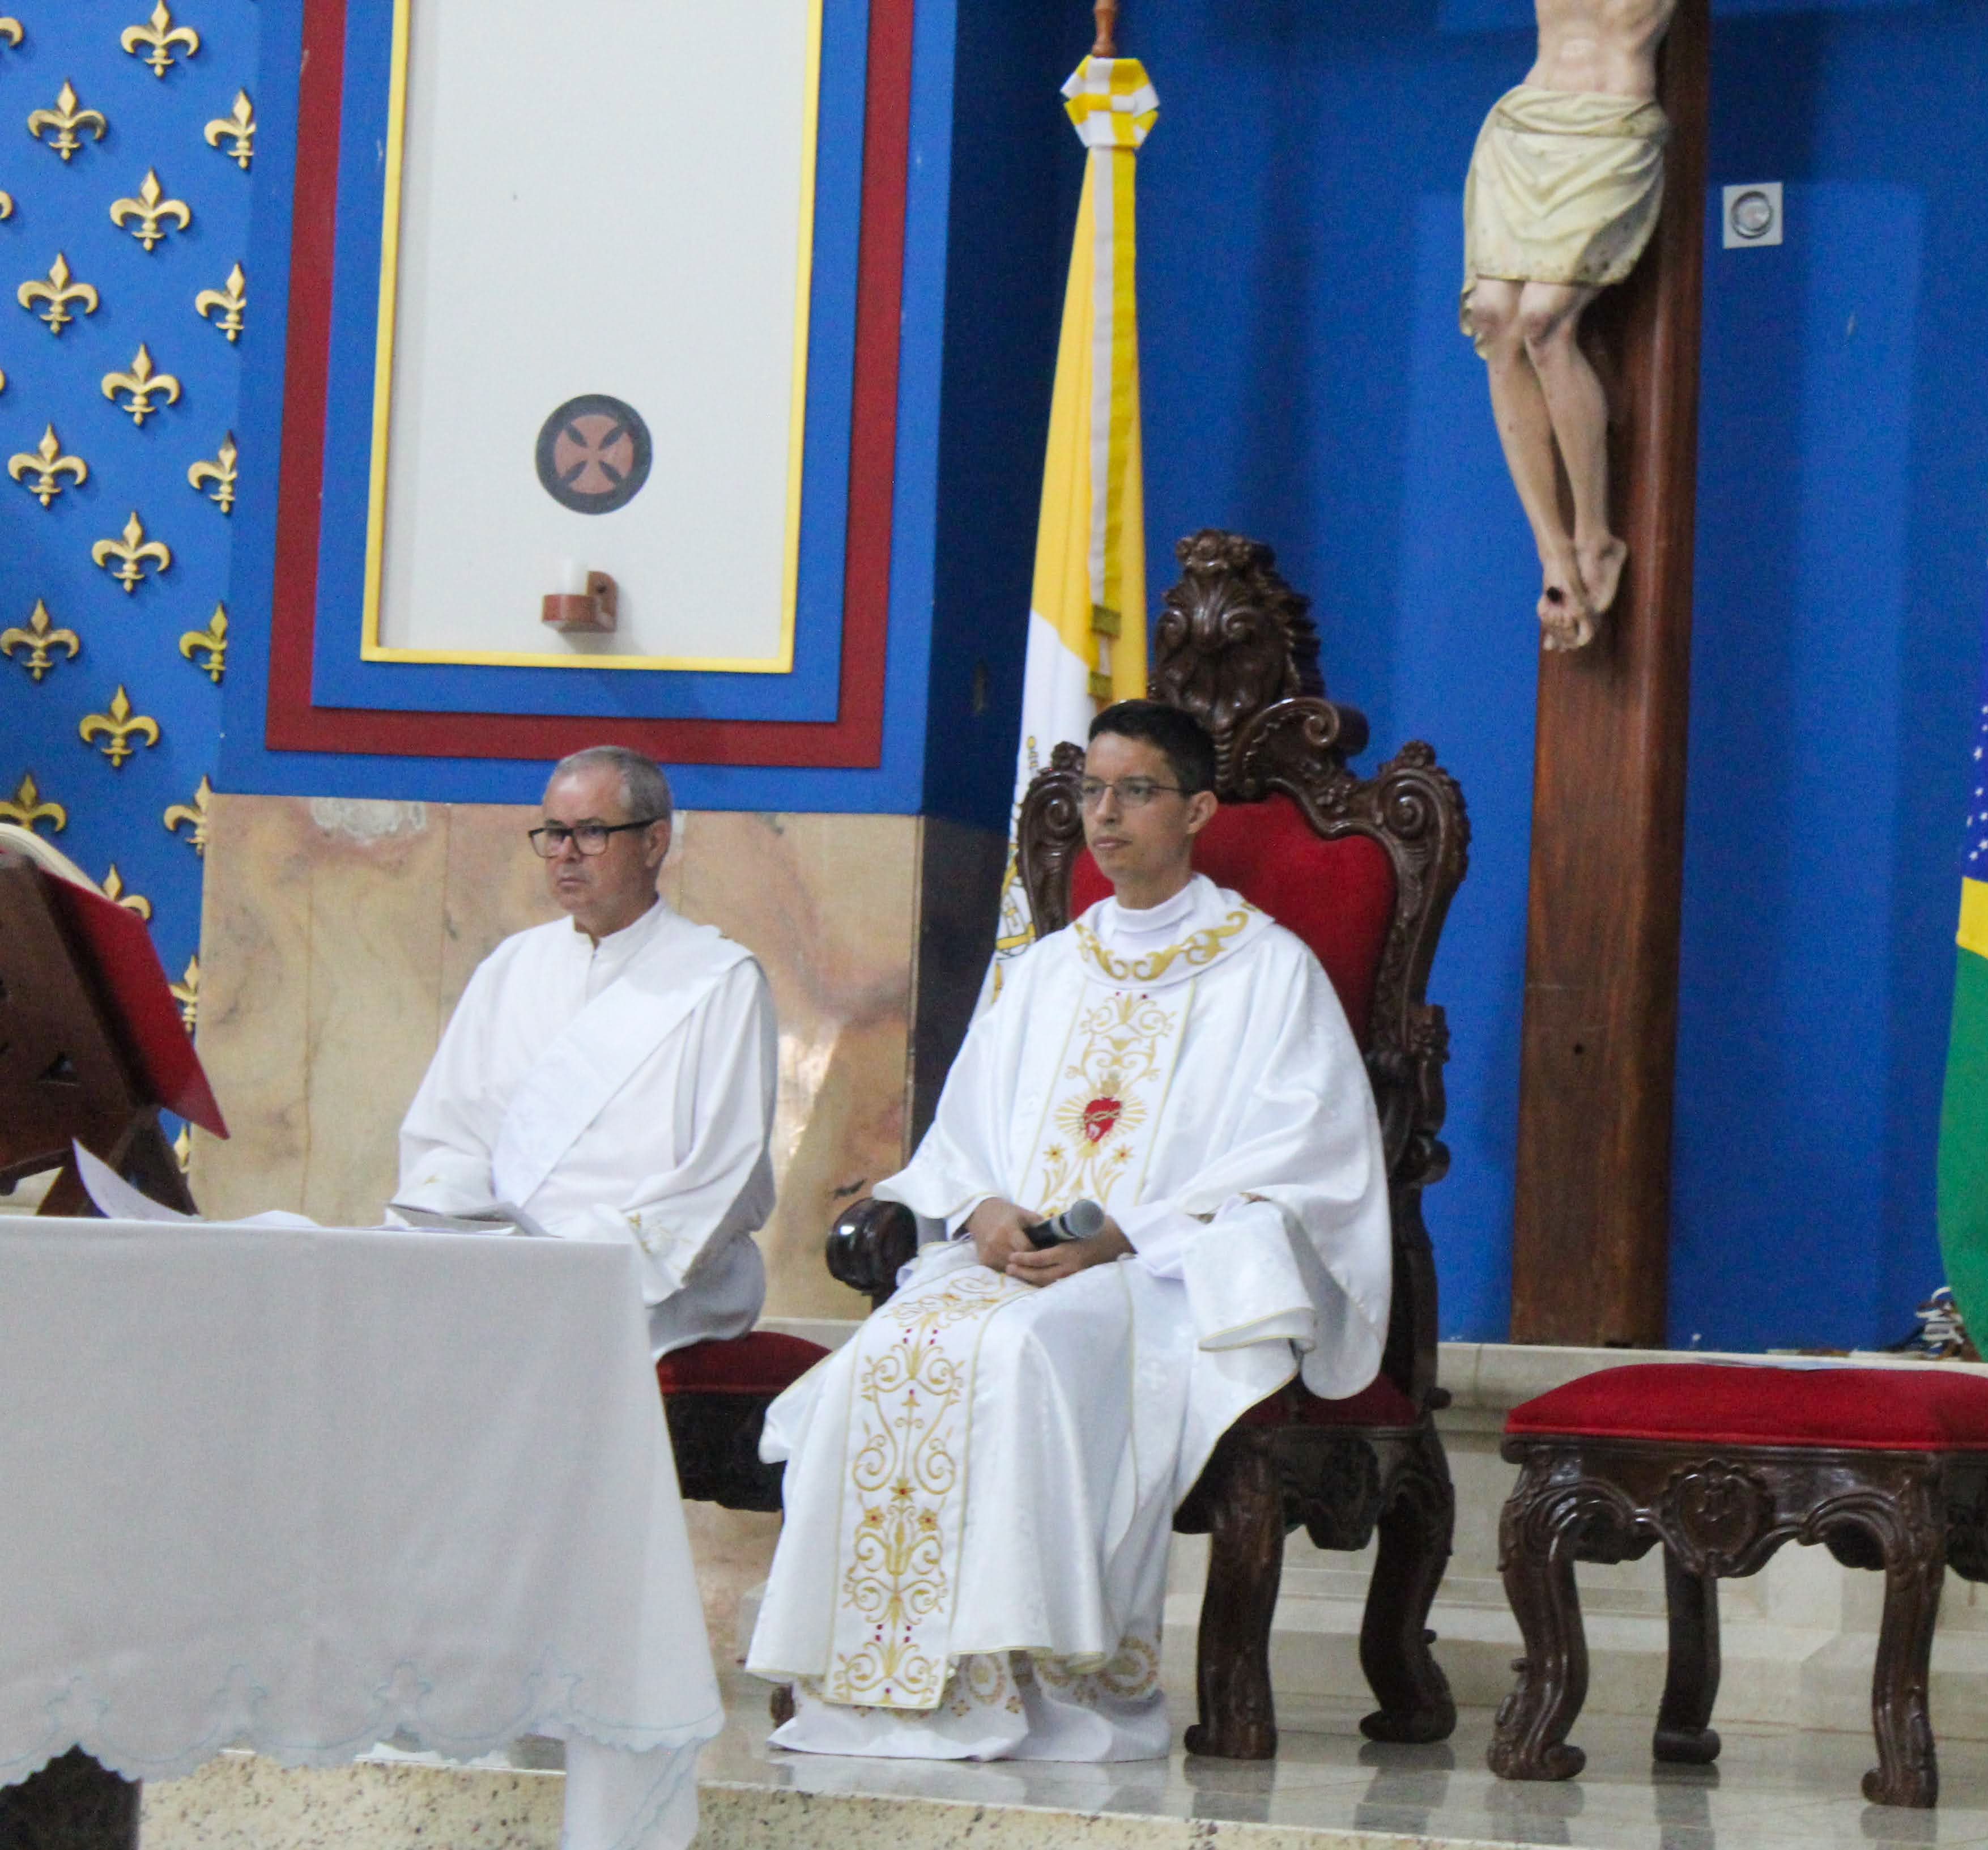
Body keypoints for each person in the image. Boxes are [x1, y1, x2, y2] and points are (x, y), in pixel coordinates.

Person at [747, 700, 1390, 1762]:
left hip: (1164, 1277)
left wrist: (1127, 1237)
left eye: (1135, 792)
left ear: (1198, 811)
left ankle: (1035, 1680)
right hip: (1011, 1264)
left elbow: (1306, 1156)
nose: (1104, 814)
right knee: (889, 1351)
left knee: (1020, 1350)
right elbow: (963, 1139)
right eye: (1092, 790)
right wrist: (985, 1211)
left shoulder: (1268, 971)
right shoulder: (1048, 969)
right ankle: (875, 1684)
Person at [393, 745, 779, 1360]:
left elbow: (718, 1174)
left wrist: (566, 1258)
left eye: (592, 832)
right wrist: (468, 1229)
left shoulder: (719, 981)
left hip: (650, 1284)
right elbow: (448, 1138)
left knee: (532, 1342)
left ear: (654, 842)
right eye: (554, 832)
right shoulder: (511, 967)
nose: (566, 853)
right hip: (504, 1267)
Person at [1461, 0, 1682, 650]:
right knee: (1494, 319)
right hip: (1525, 127)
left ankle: (1594, 537)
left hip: (1611, 126)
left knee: (1542, 320)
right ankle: (1552, 551)